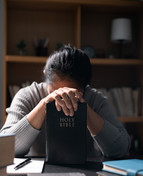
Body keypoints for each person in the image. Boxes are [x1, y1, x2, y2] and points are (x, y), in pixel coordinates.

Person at [0, 45, 130, 159]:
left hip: (85, 172)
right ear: (45, 76)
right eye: (55, 93)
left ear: (85, 87)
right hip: (37, 174)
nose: (63, 100)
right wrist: (44, 105)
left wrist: (85, 109)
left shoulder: (95, 99)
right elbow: (5, 148)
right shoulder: (28, 96)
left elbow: (121, 149)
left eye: (71, 93)